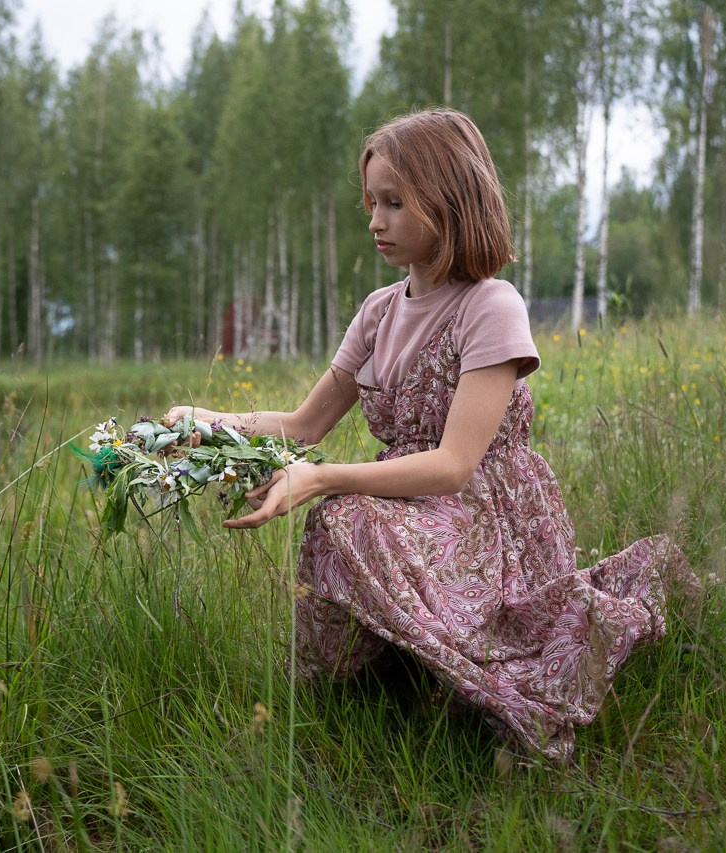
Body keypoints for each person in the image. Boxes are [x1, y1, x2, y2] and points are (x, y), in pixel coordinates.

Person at [163, 108, 693, 761]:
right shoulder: (378, 312)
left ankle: (485, 689)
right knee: (343, 517)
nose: (375, 220)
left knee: (345, 512)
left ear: (447, 201)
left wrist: (322, 476)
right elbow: (303, 425)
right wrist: (206, 421)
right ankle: (380, 681)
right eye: (371, 203)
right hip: (408, 502)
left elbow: (452, 465)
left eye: (393, 203)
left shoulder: (490, 306)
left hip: (482, 510)